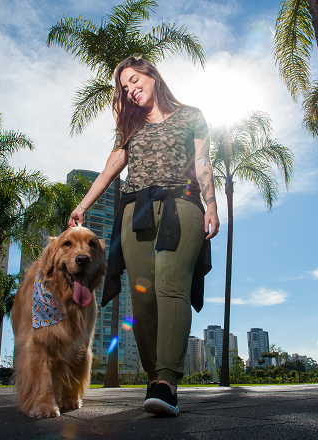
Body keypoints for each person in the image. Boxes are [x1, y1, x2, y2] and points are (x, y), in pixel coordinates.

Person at [69, 56, 219, 416]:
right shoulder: (131, 126)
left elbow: (202, 162)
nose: (131, 89)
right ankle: (154, 380)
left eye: (135, 80)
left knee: (170, 284)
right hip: (133, 214)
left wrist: (212, 205)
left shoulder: (191, 114)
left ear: (152, 75)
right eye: (124, 87)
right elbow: (110, 169)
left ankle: (168, 381)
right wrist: (82, 205)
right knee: (143, 299)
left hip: (180, 206)